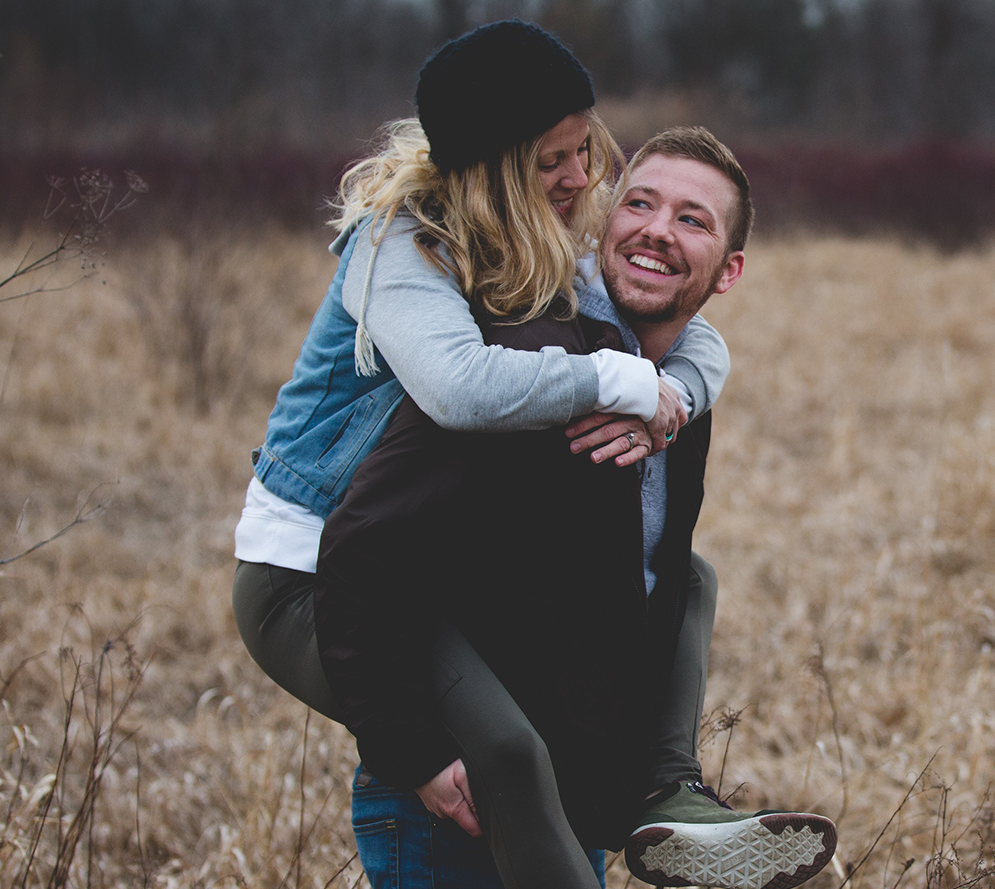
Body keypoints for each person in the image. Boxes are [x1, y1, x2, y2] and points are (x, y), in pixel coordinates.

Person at [227, 20, 743, 889]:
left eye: (586, 149)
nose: (582, 178)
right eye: (552, 161)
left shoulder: (531, 244)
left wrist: (674, 399)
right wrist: (612, 381)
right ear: (493, 167)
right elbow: (459, 386)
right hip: (311, 568)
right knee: (503, 746)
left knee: (686, 575)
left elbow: (683, 332)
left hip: (400, 562)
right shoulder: (401, 246)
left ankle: (667, 790)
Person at [318, 126, 838, 889]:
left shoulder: (673, 386)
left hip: (568, 795)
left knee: (689, 575)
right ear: (601, 224)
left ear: (728, 272)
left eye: (692, 219)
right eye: (640, 203)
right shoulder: (529, 361)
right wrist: (411, 750)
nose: (659, 228)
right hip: (452, 799)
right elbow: (362, 549)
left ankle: (672, 788)